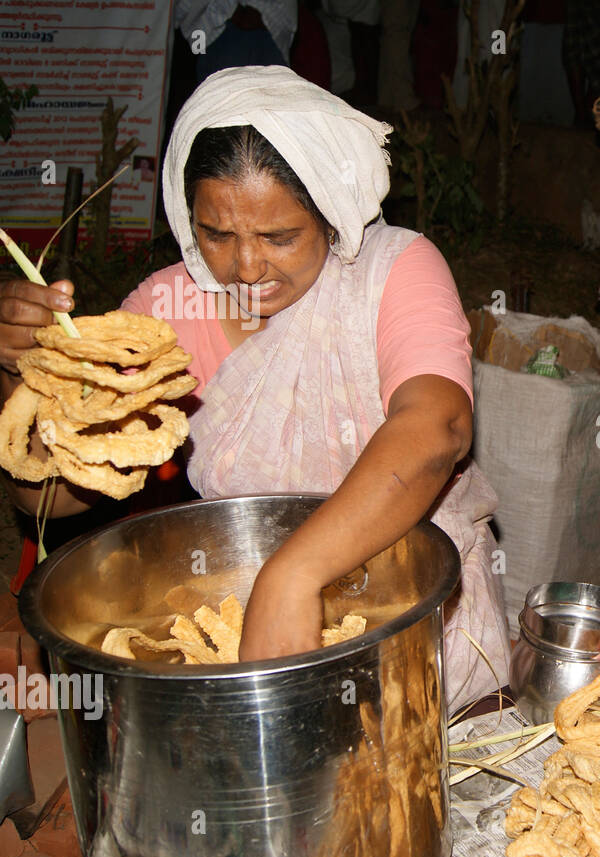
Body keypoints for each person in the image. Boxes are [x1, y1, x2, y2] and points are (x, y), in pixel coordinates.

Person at [0, 66, 510, 712]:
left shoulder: (394, 272)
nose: (245, 268)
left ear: (329, 212)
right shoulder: (166, 313)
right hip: (252, 638)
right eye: (217, 234)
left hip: (423, 633)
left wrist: (294, 573)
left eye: (279, 237)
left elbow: (435, 429)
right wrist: (24, 374)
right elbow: (49, 496)